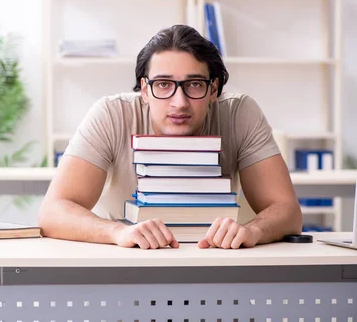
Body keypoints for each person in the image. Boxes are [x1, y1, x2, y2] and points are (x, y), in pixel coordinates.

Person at [38, 24, 302, 250]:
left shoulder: (239, 113)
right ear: (144, 89)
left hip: (214, 261)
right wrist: (117, 232)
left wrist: (253, 231)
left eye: (194, 85)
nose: (180, 102)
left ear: (214, 89)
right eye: (163, 84)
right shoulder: (111, 113)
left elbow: (288, 212)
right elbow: (52, 212)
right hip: (125, 262)